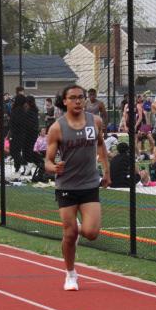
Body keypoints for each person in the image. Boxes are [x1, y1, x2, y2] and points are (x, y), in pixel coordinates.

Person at [44, 85, 110, 291]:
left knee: (91, 233)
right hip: (67, 186)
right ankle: (70, 273)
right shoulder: (57, 128)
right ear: (64, 101)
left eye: (81, 97)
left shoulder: (95, 121)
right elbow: (47, 161)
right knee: (70, 234)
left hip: (89, 184)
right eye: (73, 98)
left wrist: (106, 171)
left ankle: (76, 228)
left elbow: (101, 145)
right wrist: (54, 167)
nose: (78, 101)